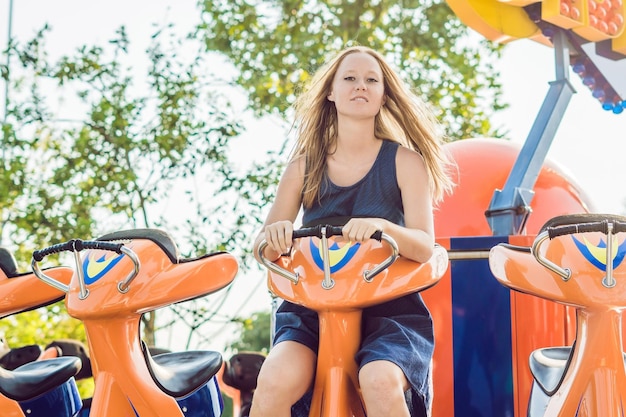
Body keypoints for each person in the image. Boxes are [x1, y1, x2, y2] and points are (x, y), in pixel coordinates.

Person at [251, 45, 456, 417]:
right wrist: (276, 234)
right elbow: (263, 246)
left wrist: (383, 227)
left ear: (382, 96)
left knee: (379, 380)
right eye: (349, 78)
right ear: (331, 91)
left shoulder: (406, 163)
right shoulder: (302, 168)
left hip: (390, 309)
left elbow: (426, 247)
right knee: (273, 380)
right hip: (310, 308)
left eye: (371, 80)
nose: (360, 86)